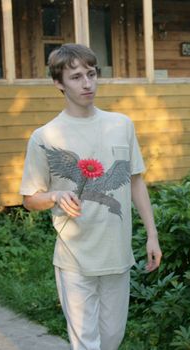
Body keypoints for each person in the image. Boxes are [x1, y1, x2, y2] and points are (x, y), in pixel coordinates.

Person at [19, 43, 162, 350]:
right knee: (86, 343)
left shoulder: (121, 124)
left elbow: (136, 182)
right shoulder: (44, 136)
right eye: (75, 77)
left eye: (91, 74)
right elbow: (30, 199)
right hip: (75, 258)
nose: (87, 83)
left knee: (112, 338)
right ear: (58, 83)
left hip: (118, 255)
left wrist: (152, 234)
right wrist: (56, 195)